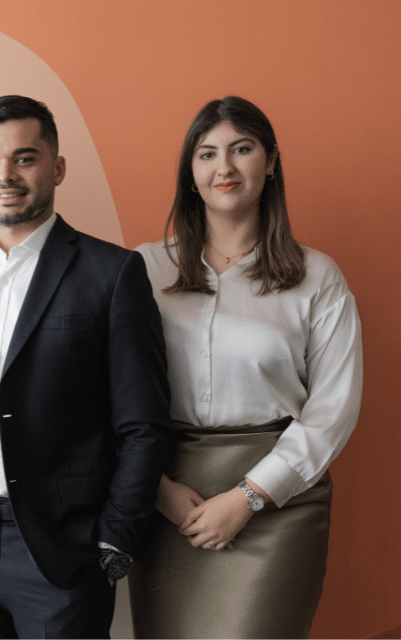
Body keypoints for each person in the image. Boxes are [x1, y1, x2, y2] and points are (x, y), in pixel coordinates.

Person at [0, 95, 173, 639]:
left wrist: (116, 536)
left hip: (62, 553)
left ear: (57, 167)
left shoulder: (112, 273)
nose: (6, 175)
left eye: (24, 158)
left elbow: (144, 424)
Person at [129, 96, 363, 639]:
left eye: (242, 149)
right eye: (207, 153)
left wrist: (249, 497)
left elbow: (334, 408)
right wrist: (157, 490)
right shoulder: (143, 268)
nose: (225, 168)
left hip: (280, 502)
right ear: (190, 174)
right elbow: (107, 390)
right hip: (166, 500)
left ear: (271, 161)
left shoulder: (318, 277)